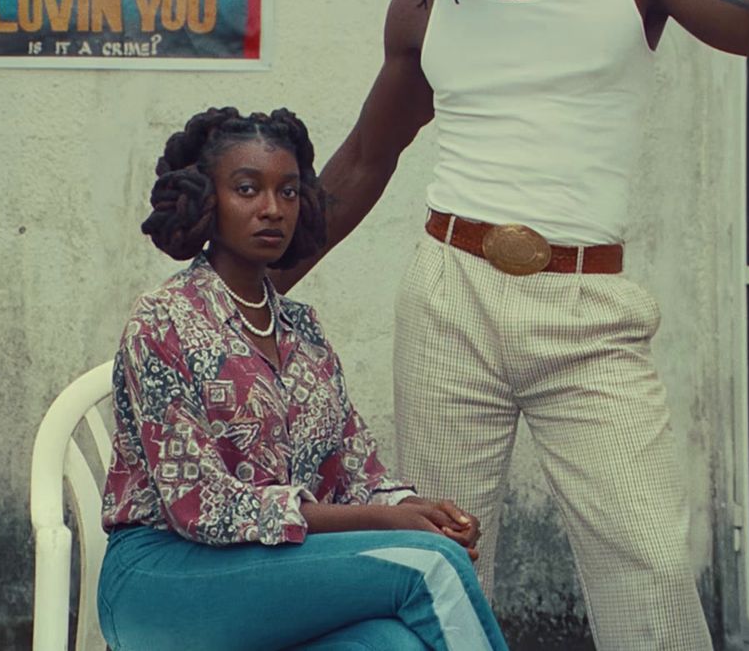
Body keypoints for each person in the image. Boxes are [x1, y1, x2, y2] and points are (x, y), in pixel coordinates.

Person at [272, 0, 749, 651]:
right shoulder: (427, 4)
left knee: (648, 559)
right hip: (450, 297)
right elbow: (361, 162)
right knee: (444, 551)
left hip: (589, 308)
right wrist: (233, 296)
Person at [98, 107, 510, 651]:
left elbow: (355, 468)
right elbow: (201, 506)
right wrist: (382, 524)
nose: (272, 209)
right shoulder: (163, 320)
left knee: (394, 644)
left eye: (288, 192)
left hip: (272, 575)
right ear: (206, 200)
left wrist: (404, 507)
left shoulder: (302, 331)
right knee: (428, 565)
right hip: (162, 580)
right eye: (248, 189)